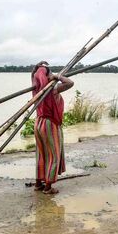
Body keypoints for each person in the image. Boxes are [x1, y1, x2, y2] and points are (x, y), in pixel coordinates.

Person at [31, 61, 74, 194]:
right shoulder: (52, 90)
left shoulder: (37, 89)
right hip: (50, 124)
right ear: (47, 77)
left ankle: (39, 183)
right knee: (53, 154)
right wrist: (57, 76)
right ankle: (48, 187)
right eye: (49, 74)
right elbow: (70, 83)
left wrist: (37, 69)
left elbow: (34, 76)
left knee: (42, 153)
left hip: (38, 123)